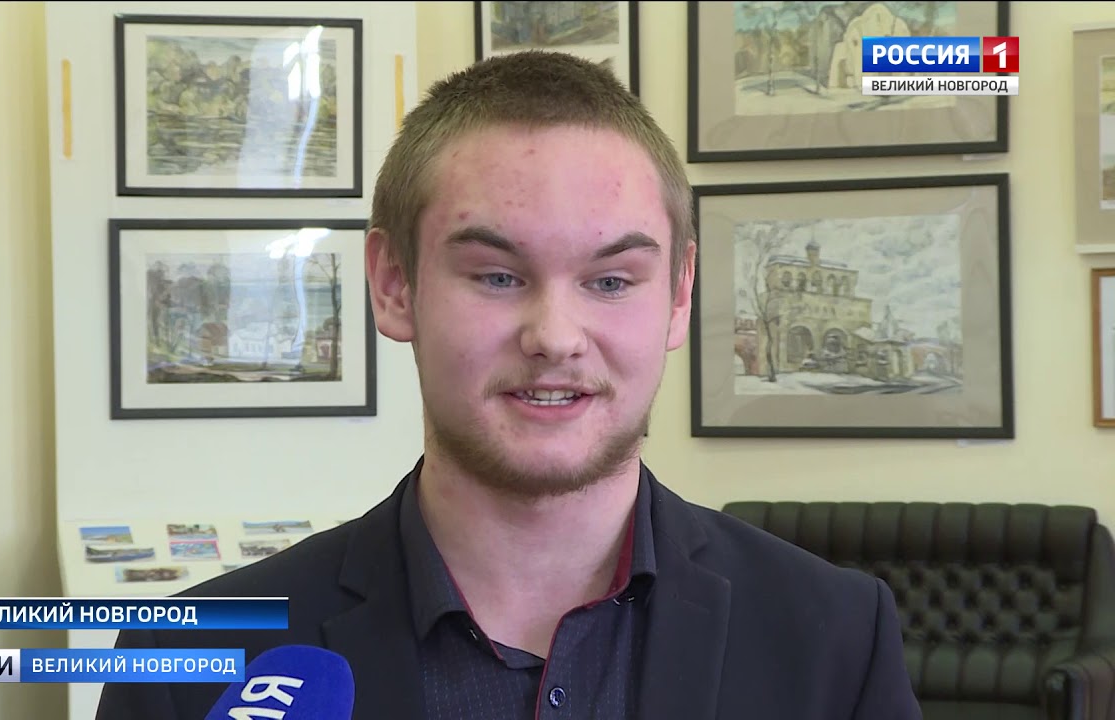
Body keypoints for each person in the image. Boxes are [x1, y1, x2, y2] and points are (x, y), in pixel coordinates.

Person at [95, 51, 922, 720]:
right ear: (393, 284)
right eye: (496, 276)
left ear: (679, 295)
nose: (555, 336)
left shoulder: (837, 639)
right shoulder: (190, 663)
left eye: (610, 281)